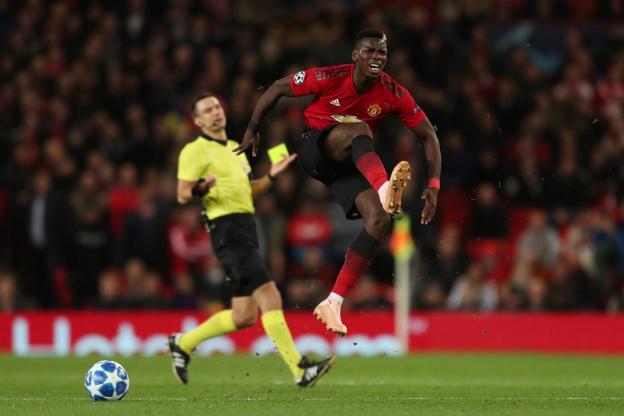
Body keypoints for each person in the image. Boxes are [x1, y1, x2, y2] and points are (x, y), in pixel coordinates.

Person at [234, 29, 442, 336]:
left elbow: (429, 136)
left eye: (382, 52)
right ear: (355, 55)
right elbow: (278, 87)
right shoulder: (329, 77)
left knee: (378, 220)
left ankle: (333, 301)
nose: (377, 57)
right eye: (370, 50)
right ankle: (385, 189)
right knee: (360, 129)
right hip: (314, 148)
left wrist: (434, 185)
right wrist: (252, 128)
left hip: (347, 164)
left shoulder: (392, 92)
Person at [168, 93, 335, 388]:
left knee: (243, 316)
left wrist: (271, 177)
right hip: (227, 230)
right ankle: (300, 370)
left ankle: (183, 343)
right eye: (207, 110)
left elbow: (248, 191)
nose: (216, 112)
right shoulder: (194, 151)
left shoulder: (235, 148)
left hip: (246, 227)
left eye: (217, 106)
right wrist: (201, 189)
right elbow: (182, 194)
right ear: (198, 121)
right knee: (270, 296)